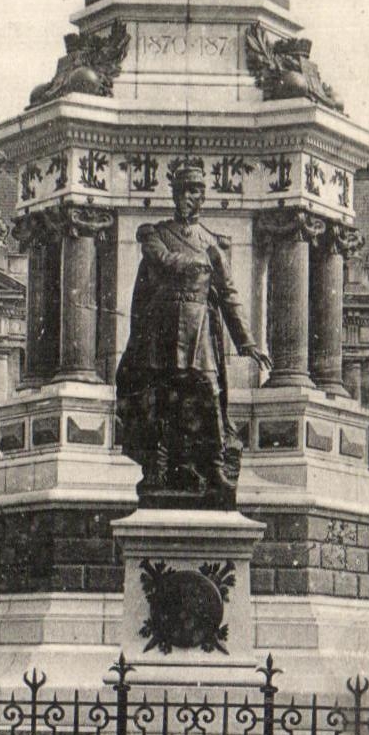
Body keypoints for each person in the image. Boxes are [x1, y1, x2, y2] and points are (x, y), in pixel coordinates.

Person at [115, 157, 271, 505]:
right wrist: (196, 263)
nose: (192, 197)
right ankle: (158, 464)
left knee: (209, 393)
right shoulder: (156, 235)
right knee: (161, 396)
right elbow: (162, 260)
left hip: (199, 326)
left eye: (198, 191)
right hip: (164, 326)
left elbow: (229, 297)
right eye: (186, 191)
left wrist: (247, 341)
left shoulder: (213, 243)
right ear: (175, 194)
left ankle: (215, 465)